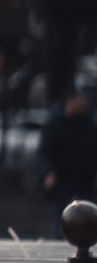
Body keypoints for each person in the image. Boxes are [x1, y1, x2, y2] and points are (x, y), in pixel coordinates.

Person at [39, 87, 97, 222]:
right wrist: (49, 172)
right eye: (80, 99)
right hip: (64, 181)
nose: (84, 103)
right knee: (65, 218)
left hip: (85, 182)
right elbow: (44, 151)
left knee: (87, 219)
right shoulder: (56, 124)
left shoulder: (88, 124)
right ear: (70, 101)